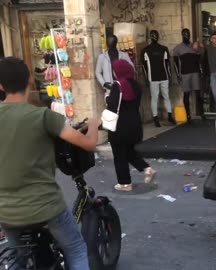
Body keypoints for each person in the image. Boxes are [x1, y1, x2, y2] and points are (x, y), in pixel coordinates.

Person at [0, 57, 100, 270]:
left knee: (19, 259)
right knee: (76, 248)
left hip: (5, 211)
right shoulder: (43, 116)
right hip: (45, 206)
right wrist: (93, 124)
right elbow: (88, 144)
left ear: (1, 86)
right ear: (29, 80)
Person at [107, 59, 156, 192]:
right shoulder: (136, 85)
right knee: (128, 151)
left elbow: (113, 105)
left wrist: (108, 97)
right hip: (134, 124)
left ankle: (125, 183)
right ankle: (147, 169)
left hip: (119, 126)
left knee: (119, 154)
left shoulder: (117, 85)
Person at [142, 30, 175, 127]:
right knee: (156, 98)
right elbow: (144, 67)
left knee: (165, 96)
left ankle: (169, 116)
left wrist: (169, 76)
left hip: (163, 76)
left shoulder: (164, 49)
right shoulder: (145, 50)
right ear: (150, 37)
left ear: (158, 36)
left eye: (155, 35)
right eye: (152, 35)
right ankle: (156, 118)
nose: (154, 37)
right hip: (154, 77)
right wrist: (146, 78)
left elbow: (167, 64)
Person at [173, 28, 205, 122]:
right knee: (186, 94)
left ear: (190, 35)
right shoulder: (178, 48)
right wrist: (178, 75)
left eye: (188, 34)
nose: (186, 36)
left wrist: (201, 46)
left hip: (195, 72)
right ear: (182, 35)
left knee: (198, 93)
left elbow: (202, 56)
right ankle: (188, 115)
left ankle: (201, 112)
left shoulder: (194, 46)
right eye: (184, 34)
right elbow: (175, 63)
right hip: (184, 73)